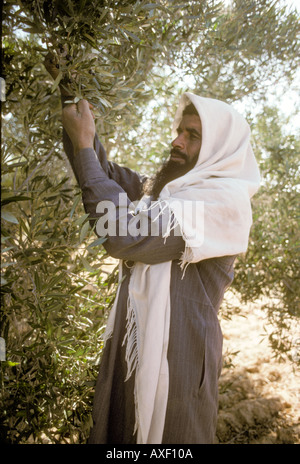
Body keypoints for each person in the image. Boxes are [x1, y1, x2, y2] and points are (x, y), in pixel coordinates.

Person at [45, 54, 260, 444]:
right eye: (179, 130)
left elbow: (119, 231)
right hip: (133, 352)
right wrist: (69, 90)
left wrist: (83, 143)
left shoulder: (220, 204)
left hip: (178, 363)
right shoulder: (166, 197)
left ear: (219, 150)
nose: (176, 141)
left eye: (192, 136)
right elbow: (100, 173)